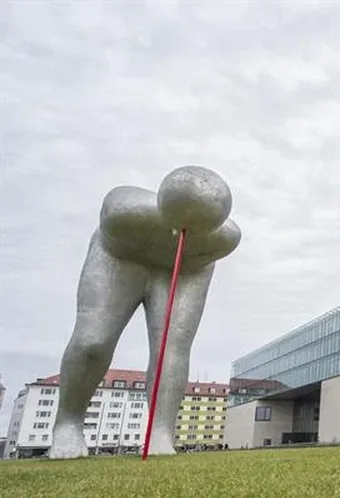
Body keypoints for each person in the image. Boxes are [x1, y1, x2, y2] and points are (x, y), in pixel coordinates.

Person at [50, 166, 242, 459]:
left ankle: (161, 431)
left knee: (172, 349)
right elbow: (110, 233)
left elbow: (203, 263)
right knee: (93, 341)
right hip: (118, 259)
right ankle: (68, 423)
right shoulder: (122, 210)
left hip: (185, 274)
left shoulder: (224, 239)